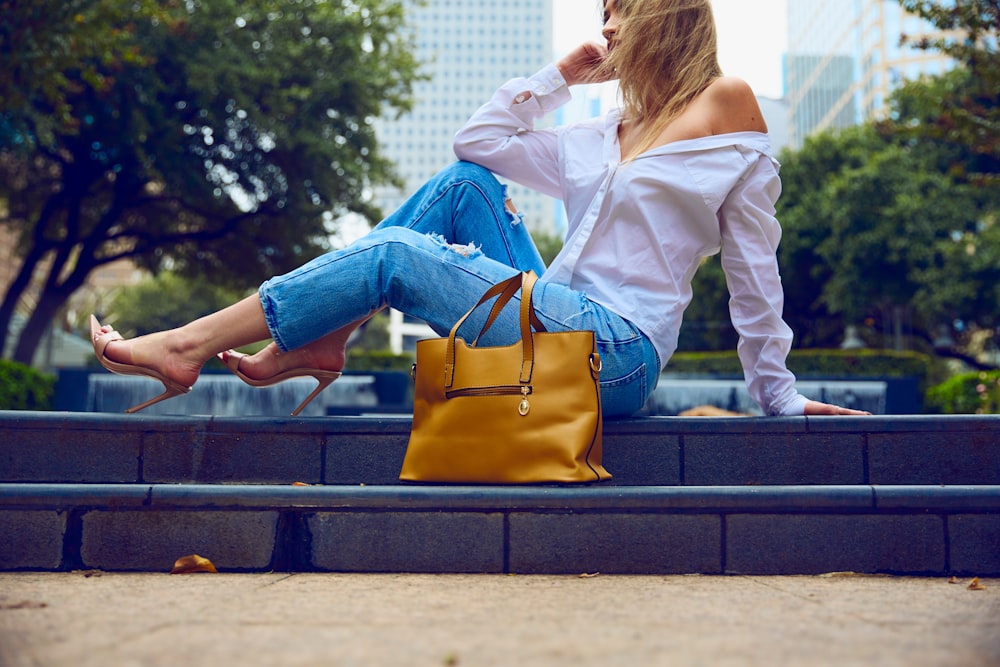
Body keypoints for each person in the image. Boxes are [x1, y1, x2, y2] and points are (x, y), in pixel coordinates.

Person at [91, 0, 870, 417]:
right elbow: (479, 141)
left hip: (620, 354)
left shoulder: (726, 101)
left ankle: (188, 346)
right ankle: (325, 335)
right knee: (465, 185)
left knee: (397, 257)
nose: (605, 25)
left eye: (621, 8)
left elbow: (752, 261)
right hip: (555, 318)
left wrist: (778, 394)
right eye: (601, 11)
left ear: (669, 12)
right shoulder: (595, 133)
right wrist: (559, 75)